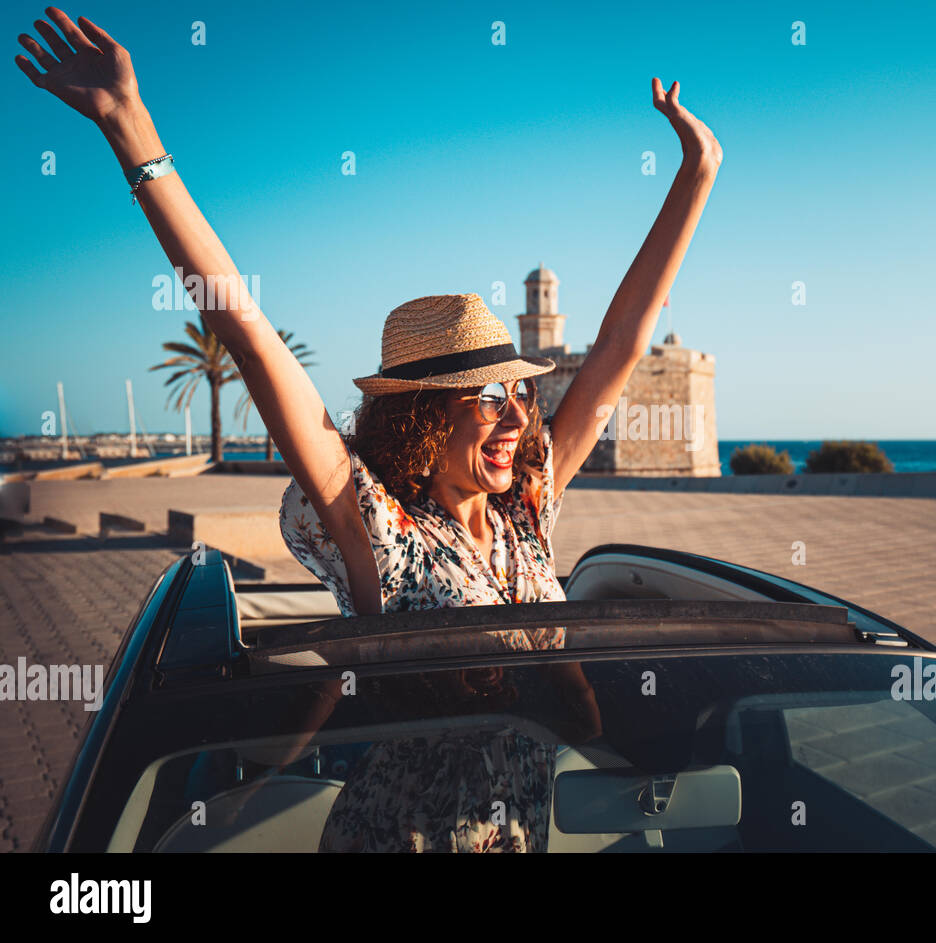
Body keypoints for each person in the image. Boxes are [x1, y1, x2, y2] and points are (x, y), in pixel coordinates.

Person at [15, 6, 722, 851]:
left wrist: (697, 174)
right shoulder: (379, 527)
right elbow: (247, 331)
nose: (515, 414)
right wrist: (134, 135)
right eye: (486, 395)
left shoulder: (530, 509)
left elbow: (618, 348)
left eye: (519, 393)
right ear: (427, 413)